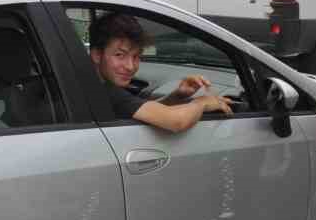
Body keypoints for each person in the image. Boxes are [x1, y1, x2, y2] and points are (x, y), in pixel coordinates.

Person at [88, 12, 232, 132]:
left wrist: (178, 95)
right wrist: (202, 103)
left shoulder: (88, 84)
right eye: (119, 55)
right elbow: (176, 122)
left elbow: (144, 111)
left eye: (136, 56)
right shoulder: (104, 92)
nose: (130, 66)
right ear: (97, 55)